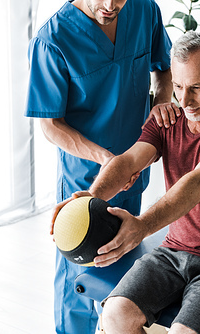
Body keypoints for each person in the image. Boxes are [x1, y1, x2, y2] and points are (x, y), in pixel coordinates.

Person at [55, 31, 200, 334]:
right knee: (115, 315)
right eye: (179, 87)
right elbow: (129, 162)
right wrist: (90, 200)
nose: (184, 100)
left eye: (196, 88)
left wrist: (142, 226)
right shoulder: (168, 120)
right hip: (173, 253)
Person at [24, 0, 179, 333]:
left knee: (125, 256)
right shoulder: (52, 39)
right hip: (86, 175)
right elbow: (50, 124)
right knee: (79, 276)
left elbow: (164, 68)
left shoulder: (144, 10)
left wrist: (162, 101)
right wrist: (107, 160)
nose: (110, 6)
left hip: (135, 169)